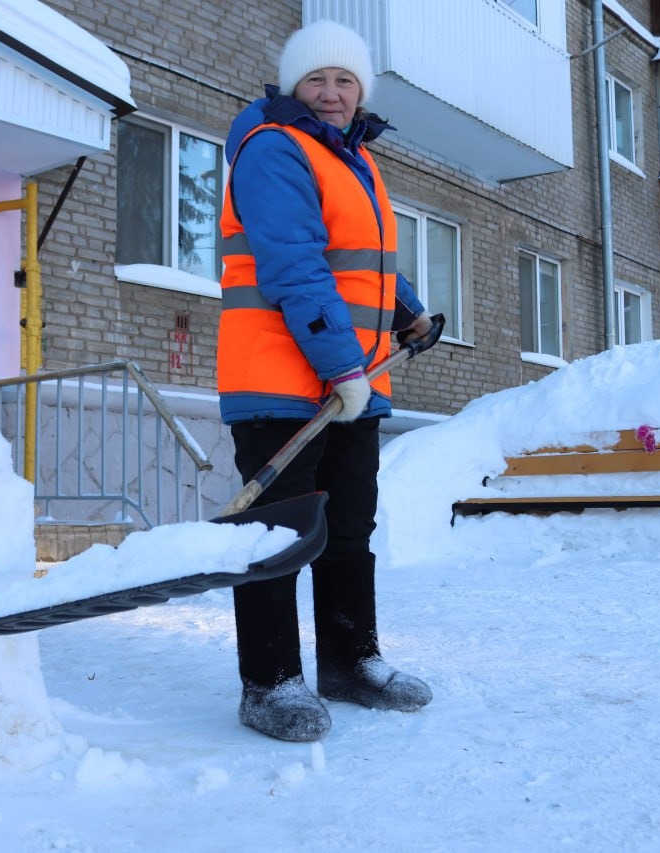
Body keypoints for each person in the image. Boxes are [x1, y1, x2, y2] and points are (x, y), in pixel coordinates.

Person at [216, 19, 435, 742]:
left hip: (352, 383)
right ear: (293, 86)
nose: (333, 92)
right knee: (277, 536)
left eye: (346, 80)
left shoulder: (352, 160)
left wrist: (404, 310)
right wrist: (342, 366)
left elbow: (359, 265)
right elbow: (293, 266)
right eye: (318, 79)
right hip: (283, 382)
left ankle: (350, 662)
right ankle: (270, 682)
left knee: (348, 532)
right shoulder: (273, 148)